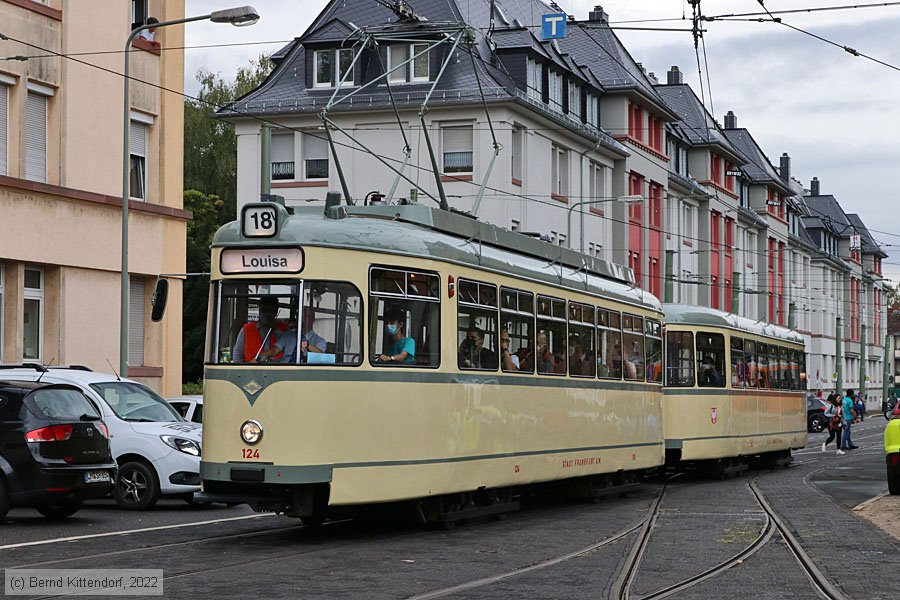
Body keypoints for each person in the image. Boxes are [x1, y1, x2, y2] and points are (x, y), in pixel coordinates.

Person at [233, 297, 289, 363]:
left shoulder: (285, 330)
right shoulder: (246, 330)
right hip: (252, 368)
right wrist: (247, 367)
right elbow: (237, 357)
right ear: (259, 310)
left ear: (276, 311)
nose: (267, 314)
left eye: (271, 311)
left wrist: (276, 329)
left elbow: (290, 354)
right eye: (264, 310)